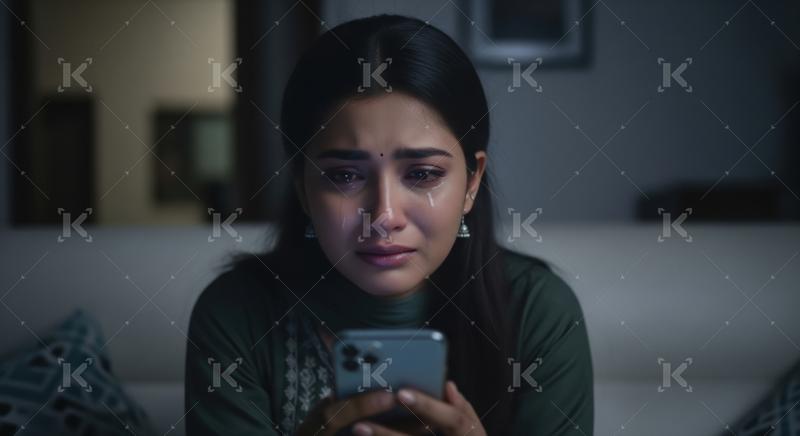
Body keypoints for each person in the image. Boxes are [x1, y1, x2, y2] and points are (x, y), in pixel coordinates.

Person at [185, 14, 593, 436]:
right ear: (303, 189)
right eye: (344, 176)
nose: (383, 218)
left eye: (422, 174)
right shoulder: (236, 314)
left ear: (471, 182)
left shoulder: (536, 313)